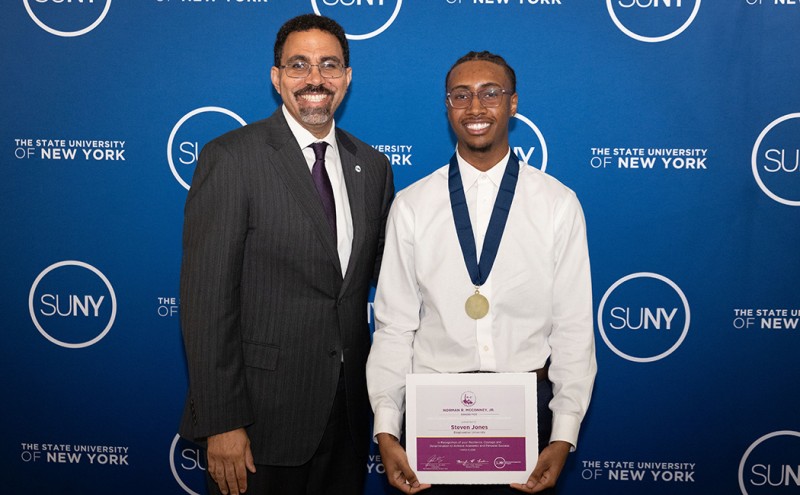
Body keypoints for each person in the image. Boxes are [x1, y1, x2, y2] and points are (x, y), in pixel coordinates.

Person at [178, 14, 394, 495]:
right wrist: (221, 421)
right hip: (258, 424)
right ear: (276, 78)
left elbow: (387, 274)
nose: (315, 78)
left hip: (348, 418)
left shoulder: (372, 166)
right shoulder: (232, 158)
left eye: (329, 65)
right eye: (299, 65)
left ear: (347, 78)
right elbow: (207, 301)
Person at [366, 51, 596, 494]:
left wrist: (564, 433)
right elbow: (394, 328)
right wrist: (387, 429)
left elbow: (573, 328)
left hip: (530, 412)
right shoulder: (412, 206)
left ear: (512, 104)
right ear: (447, 106)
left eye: (490, 94)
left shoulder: (557, 204)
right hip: (433, 415)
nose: (475, 108)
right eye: (461, 95)